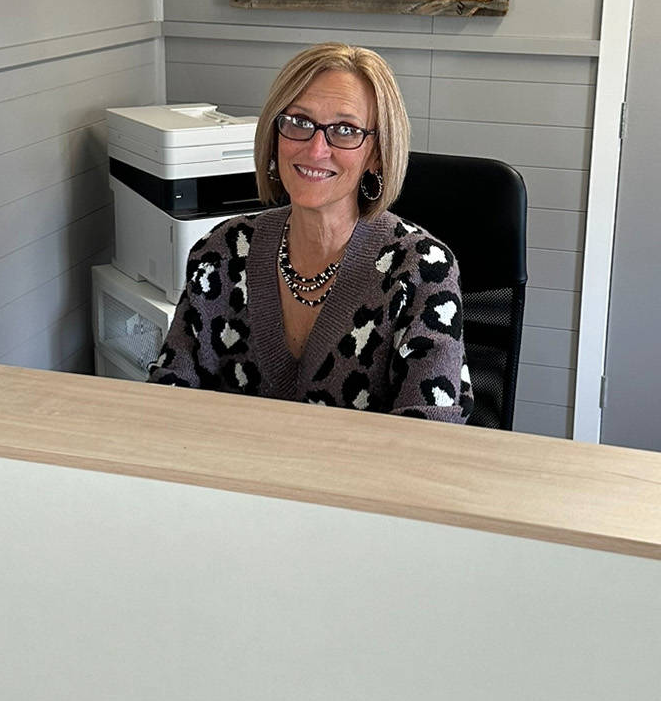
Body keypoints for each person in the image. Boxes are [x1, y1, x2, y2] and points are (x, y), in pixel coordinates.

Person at [148, 43, 472, 423]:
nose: (316, 149)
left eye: (346, 130)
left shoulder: (421, 271)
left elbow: (431, 437)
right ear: (276, 134)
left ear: (377, 154)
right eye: (299, 122)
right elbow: (166, 403)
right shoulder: (221, 253)